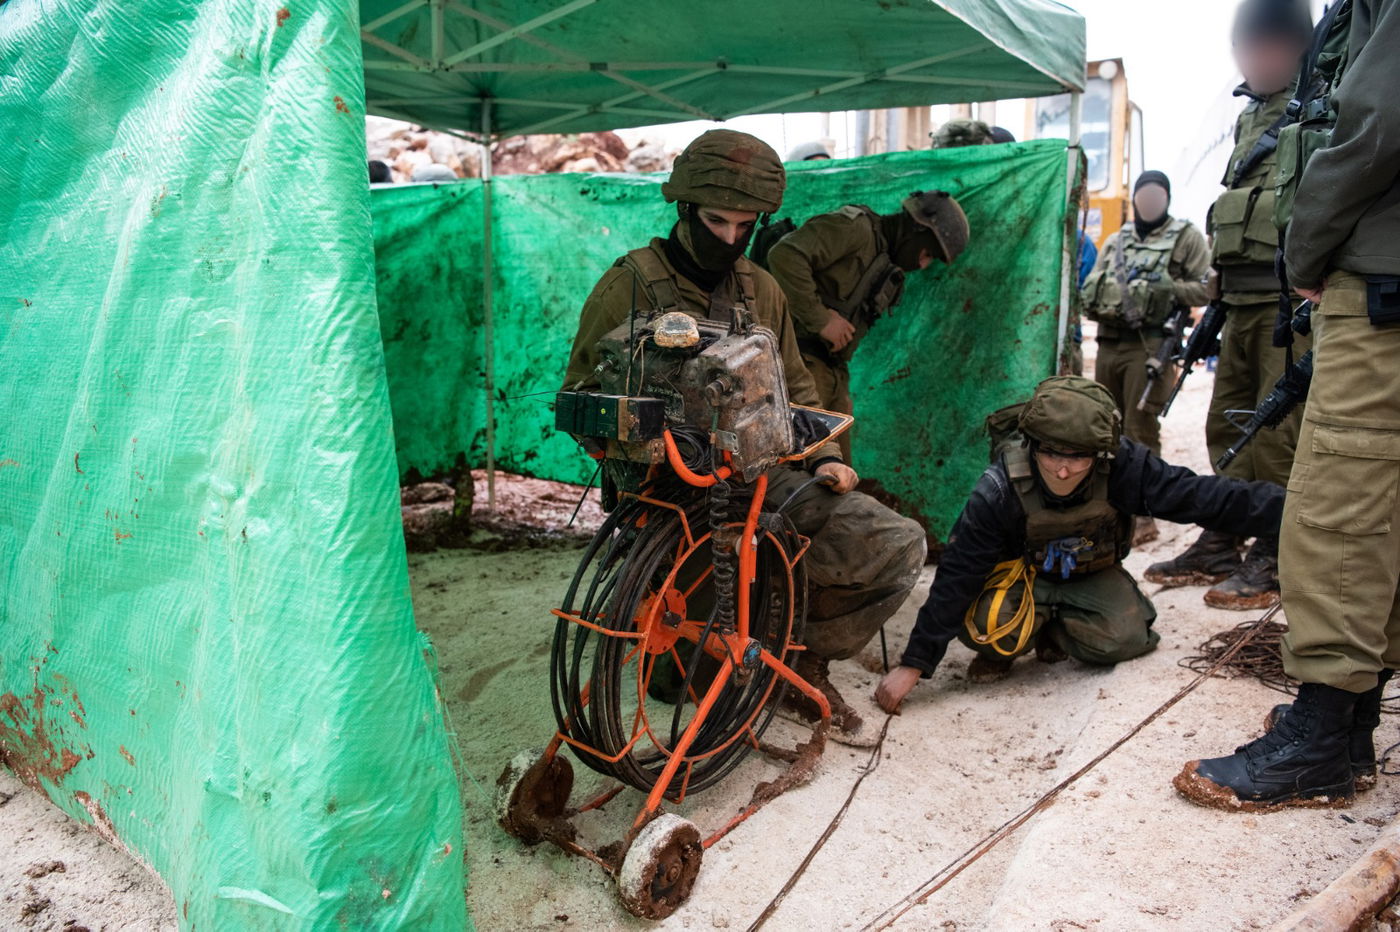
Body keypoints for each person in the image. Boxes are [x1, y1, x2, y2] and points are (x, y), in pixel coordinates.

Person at [562, 129, 927, 744]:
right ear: (683, 210)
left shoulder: (763, 289)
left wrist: (827, 456)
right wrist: (636, 439)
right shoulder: (630, 284)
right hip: (666, 495)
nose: (730, 238)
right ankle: (733, 633)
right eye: (715, 221)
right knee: (687, 683)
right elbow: (579, 396)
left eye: (744, 225)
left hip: (757, 476)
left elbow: (799, 392)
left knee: (894, 544)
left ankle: (800, 658)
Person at [1176, 0, 1400, 812]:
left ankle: (1319, 742)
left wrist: (1306, 247)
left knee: (1335, 511)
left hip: (1375, 288)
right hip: (1375, 284)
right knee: (1375, 509)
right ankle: (1350, 727)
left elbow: (1374, 120)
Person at [874, 376, 1283, 712]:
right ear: (1033, 445)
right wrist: (915, 664)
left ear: (1100, 454)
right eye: (1052, 455)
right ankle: (1022, 639)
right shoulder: (999, 488)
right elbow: (959, 572)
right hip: (1024, 577)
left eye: (1078, 458)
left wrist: (1293, 512)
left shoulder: (1123, 465)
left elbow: (1202, 497)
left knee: (1126, 638)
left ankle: (1055, 633)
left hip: (1091, 571)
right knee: (987, 631)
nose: (1065, 470)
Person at [1145, 0, 1313, 612]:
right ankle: (1221, 536)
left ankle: (1272, 551)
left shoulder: (1320, 105)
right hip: (1239, 300)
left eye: (1268, 47)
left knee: (1276, 435)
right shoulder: (1251, 118)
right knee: (1229, 426)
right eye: (1246, 48)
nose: (1255, 58)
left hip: (1288, 303)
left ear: (1297, 49)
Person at [765, 191, 970, 460]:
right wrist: (821, 319)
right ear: (916, 229)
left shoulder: (884, 257)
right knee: (796, 466)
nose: (922, 264)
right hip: (798, 363)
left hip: (833, 371)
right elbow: (785, 255)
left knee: (840, 473)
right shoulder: (855, 229)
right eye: (927, 252)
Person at [1081, 170, 1209, 543]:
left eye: (1156, 196)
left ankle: (1144, 513)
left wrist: (1166, 287)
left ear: (1166, 198)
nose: (1149, 202)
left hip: (1149, 344)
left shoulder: (1185, 237)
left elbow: (1206, 289)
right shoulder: (1118, 239)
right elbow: (1095, 285)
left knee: (1140, 428)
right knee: (1104, 425)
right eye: (1143, 195)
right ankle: (1108, 506)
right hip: (1109, 342)